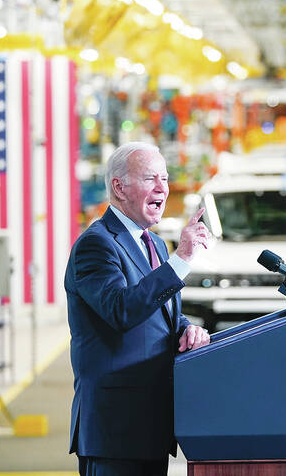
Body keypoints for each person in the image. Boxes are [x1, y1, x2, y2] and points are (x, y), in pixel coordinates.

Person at [64, 142, 211, 476]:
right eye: (150, 178)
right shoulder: (96, 245)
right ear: (119, 187)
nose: (162, 188)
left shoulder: (154, 243)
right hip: (114, 430)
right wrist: (181, 260)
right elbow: (120, 310)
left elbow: (158, 312)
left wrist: (186, 328)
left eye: (165, 178)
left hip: (151, 426)